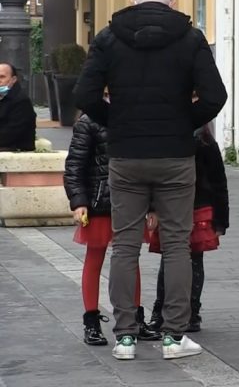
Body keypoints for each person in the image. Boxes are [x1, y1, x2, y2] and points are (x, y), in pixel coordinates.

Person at [74, 0, 227, 360]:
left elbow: (84, 94)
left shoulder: (109, 38)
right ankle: (174, 337)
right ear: (171, 2)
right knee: (177, 245)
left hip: (126, 156)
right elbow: (215, 95)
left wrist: (117, 123)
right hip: (175, 156)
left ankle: (125, 338)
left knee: (124, 245)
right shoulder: (190, 39)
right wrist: (182, 124)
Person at [63, 112, 162, 346]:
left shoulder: (136, 115)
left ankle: (135, 317)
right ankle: (91, 321)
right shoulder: (88, 122)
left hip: (131, 200)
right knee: (95, 257)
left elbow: (148, 164)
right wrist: (79, 202)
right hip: (100, 202)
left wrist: (152, 204)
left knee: (130, 257)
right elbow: (75, 164)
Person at [146, 122, 229, 333]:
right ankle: (162, 310)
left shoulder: (204, 138)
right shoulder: (170, 134)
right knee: (171, 258)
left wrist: (221, 219)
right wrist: (153, 207)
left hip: (198, 207)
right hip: (172, 206)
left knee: (192, 259)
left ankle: (191, 312)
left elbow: (219, 180)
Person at [0, 63, 36, 152]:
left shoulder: (21, 101)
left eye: (2, 77)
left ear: (13, 79)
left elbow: (10, 134)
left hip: (15, 149)